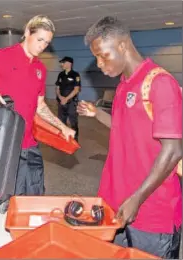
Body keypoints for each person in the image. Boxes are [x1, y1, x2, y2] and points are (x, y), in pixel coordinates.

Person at [77, 16, 182, 258]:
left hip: (151, 210)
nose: (100, 64)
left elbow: (174, 150)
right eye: (96, 57)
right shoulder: (123, 85)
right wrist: (97, 114)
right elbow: (124, 130)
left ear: (122, 45)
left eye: (103, 55)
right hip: (116, 203)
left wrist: (137, 198)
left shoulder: (160, 83)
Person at [0, 15, 75, 196]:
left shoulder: (40, 69)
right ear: (27, 33)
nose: (42, 46)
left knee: (36, 194)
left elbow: (40, 106)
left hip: (29, 144)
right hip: (4, 144)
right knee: (12, 197)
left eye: (47, 42)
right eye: (39, 40)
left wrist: (62, 127)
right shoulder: (3, 56)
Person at [55, 56, 81, 141]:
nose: (61, 64)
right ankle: (63, 139)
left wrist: (66, 99)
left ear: (69, 63)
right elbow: (57, 88)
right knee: (61, 122)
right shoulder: (60, 74)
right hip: (61, 103)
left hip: (71, 103)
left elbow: (76, 90)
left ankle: (75, 140)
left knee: (73, 122)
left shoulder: (75, 75)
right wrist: (60, 97)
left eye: (63, 62)